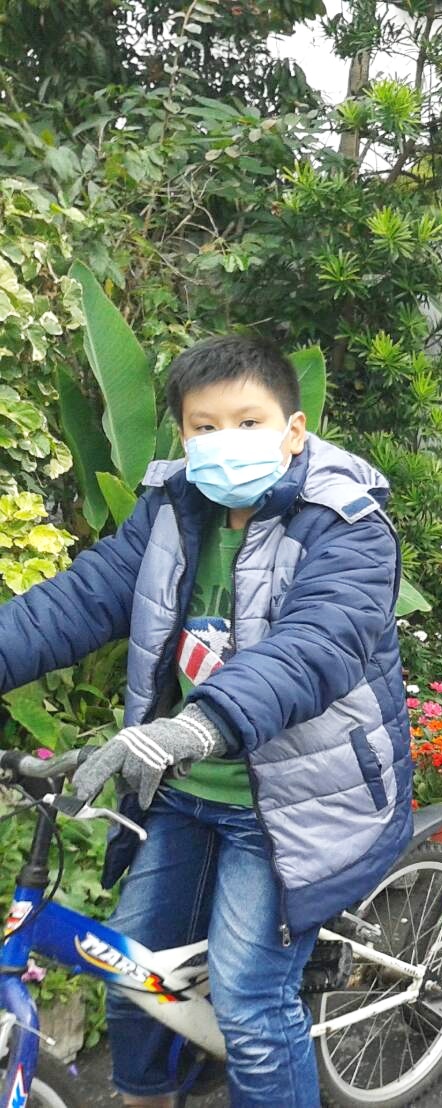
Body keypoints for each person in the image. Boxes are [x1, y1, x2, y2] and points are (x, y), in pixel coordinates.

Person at [0, 335, 411, 1107]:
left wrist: (196, 725)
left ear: (292, 429)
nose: (227, 443)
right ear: (182, 437)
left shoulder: (346, 523)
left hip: (296, 801)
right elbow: (71, 605)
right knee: (132, 974)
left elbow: (317, 644)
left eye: (248, 422)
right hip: (183, 788)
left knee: (252, 1006)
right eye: (205, 427)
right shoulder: (170, 510)